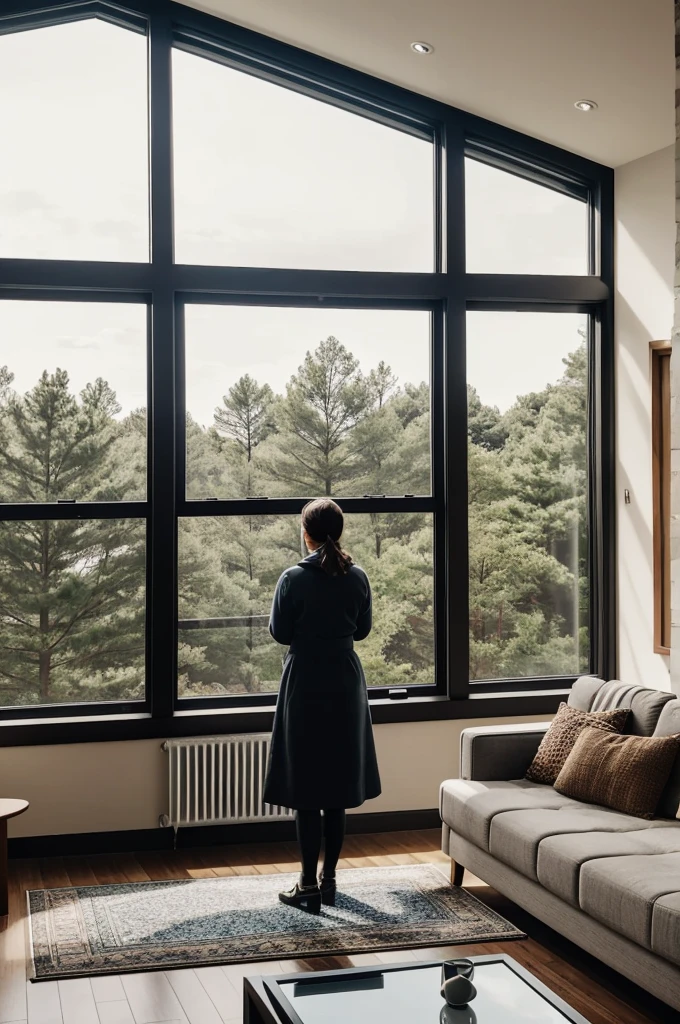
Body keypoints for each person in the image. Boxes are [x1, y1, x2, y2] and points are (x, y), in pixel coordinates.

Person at [263, 497, 381, 912]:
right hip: (345, 682)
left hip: (305, 680)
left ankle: (306, 884)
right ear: (340, 532)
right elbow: (362, 631)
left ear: (305, 532)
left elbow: (280, 633)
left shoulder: (293, 578)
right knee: (336, 786)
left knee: (307, 786)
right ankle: (329, 881)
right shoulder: (358, 577)